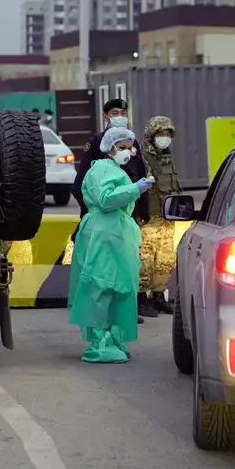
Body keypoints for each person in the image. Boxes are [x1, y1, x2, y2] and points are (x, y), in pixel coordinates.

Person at [68, 127, 154, 363]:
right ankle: (100, 341)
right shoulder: (102, 169)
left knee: (119, 286)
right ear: (109, 147)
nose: (127, 152)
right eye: (122, 147)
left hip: (116, 233)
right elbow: (106, 200)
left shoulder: (115, 169)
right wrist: (134, 189)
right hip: (103, 234)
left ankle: (113, 338)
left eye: (129, 147)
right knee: (102, 285)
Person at [71, 98, 151, 320]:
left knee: (126, 266)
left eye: (123, 112)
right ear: (106, 115)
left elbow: (139, 177)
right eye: (115, 112)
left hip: (126, 217)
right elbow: (83, 185)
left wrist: (142, 210)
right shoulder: (99, 145)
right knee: (104, 271)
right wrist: (90, 212)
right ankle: (105, 318)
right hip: (105, 221)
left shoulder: (129, 142)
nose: (120, 116)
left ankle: (124, 310)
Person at [139, 116, 182, 315]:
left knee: (165, 259)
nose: (164, 138)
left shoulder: (168, 157)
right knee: (144, 259)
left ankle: (158, 295)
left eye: (167, 134)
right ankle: (140, 299)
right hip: (149, 218)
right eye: (160, 134)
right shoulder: (141, 157)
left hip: (167, 217)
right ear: (151, 135)